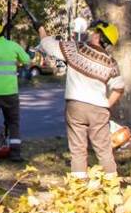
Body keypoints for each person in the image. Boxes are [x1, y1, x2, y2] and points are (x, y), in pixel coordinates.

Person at [38, 20, 125, 177]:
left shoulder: (76, 49)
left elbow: (47, 45)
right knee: (104, 150)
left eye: (94, 32)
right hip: (99, 108)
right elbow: (119, 88)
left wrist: (41, 29)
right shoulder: (111, 62)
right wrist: (107, 104)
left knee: (77, 149)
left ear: (98, 35)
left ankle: (79, 185)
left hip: (75, 106)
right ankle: (112, 186)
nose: (91, 34)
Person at [0, 20, 30, 161]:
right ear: (2, 32)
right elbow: (26, 60)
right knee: (13, 122)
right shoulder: (13, 46)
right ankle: (15, 154)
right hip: (10, 92)